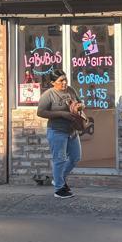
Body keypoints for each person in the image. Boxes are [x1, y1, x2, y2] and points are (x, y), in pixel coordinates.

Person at [37, 69, 83, 198]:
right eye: (61, 81)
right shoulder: (48, 95)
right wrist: (61, 114)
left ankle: (59, 179)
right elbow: (40, 112)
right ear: (53, 82)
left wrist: (80, 106)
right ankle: (59, 189)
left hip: (72, 130)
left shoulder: (71, 90)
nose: (64, 83)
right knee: (59, 160)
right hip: (57, 131)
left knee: (75, 157)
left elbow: (80, 102)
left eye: (65, 79)